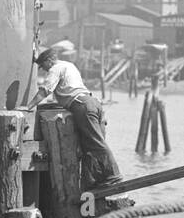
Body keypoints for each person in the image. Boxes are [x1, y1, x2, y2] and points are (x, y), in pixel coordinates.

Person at [30, 46, 123, 187]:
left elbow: (45, 91)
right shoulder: (69, 65)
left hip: (82, 106)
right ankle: (98, 179)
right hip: (92, 103)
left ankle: (114, 176)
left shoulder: (56, 68)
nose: (45, 70)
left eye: (44, 66)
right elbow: (69, 89)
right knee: (89, 145)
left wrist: (28, 107)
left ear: (49, 61)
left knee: (95, 143)